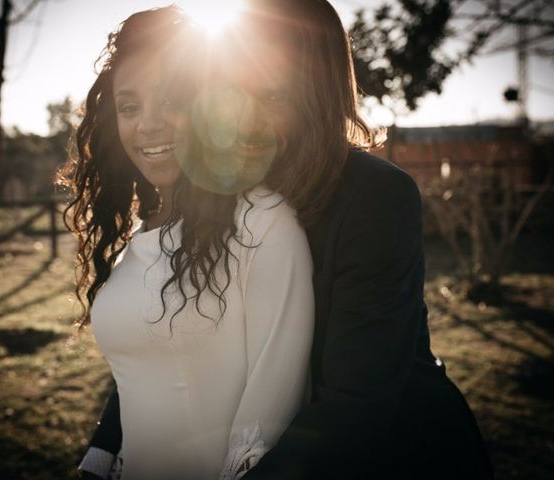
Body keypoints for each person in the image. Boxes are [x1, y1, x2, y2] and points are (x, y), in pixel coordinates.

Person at [81, 0, 495, 479]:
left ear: (315, 93)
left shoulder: (373, 195)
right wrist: (106, 448)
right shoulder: (218, 186)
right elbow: (167, 332)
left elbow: (356, 398)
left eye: (271, 94)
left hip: (392, 450)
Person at [62, 5, 315, 480]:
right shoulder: (139, 232)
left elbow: (268, 415)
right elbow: (135, 386)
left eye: (172, 101)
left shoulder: (262, 222)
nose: (148, 125)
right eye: (130, 107)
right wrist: (96, 464)